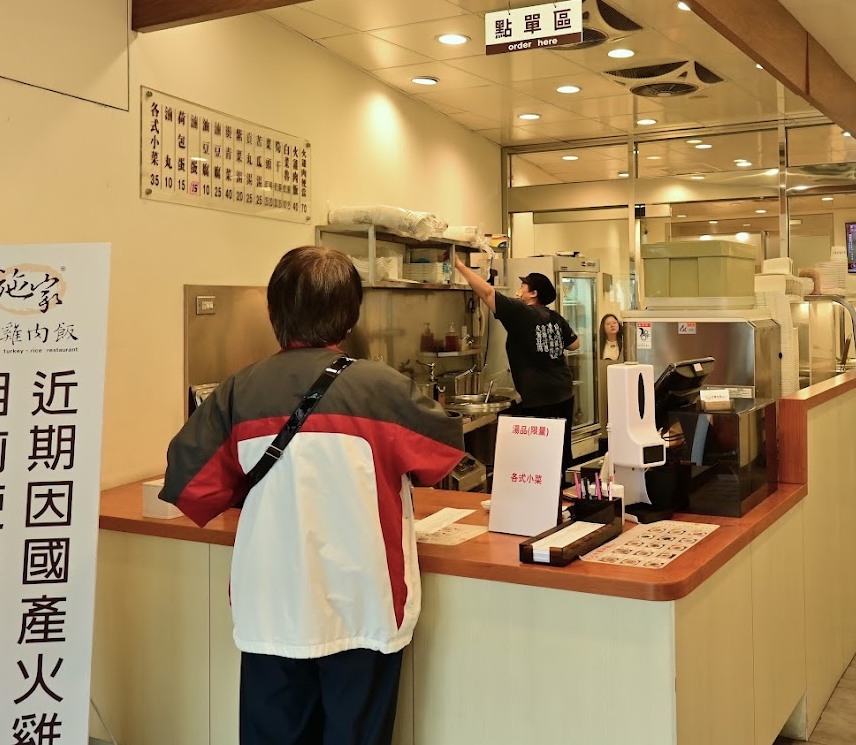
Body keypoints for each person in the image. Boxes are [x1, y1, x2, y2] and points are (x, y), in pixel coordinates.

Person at [161, 246, 464, 745]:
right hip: (365, 607)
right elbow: (444, 454)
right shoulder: (382, 389)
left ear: (274, 311)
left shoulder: (237, 391)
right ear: (350, 315)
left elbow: (191, 486)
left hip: (271, 609)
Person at [453, 256, 580, 467]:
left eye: (523, 286)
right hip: (563, 392)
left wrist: (459, 265)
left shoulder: (521, 312)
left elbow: (487, 293)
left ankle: (545, 486)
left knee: (539, 455)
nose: (519, 290)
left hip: (539, 397)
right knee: (560, 450)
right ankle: (564, 485)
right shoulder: (555, 317)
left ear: (533, 293)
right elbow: (574, 344)